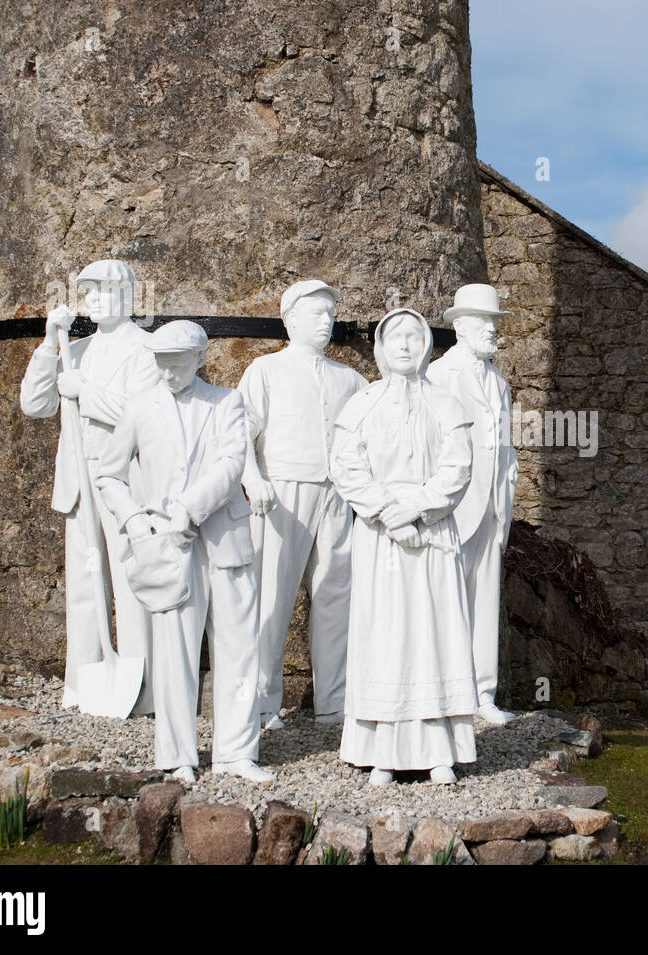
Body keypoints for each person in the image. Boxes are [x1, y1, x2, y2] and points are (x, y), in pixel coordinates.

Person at [95, 320, 271, 784]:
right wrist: (135, 521)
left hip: (224, 538)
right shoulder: (139, 407)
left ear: (200, 358)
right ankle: (178, 755)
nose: (169, 373)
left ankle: (237, 752)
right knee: (174, 652)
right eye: (162, 364)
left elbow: (231, 464)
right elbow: (109, 475)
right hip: (166, 545)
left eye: (178, 363)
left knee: (239, 648)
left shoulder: (227, 401)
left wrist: (189, 509)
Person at [330, 307, 478, 785]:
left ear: (427, 346)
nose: (405, 345)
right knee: (386, 635)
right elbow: (346, 467)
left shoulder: (446, 405)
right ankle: (382, 752)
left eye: (414, 337)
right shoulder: (362, 404)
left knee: (433, 635)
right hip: (380, 540)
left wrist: (415, 507)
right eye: (395, 337)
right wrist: (386, 514)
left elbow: (458, 468)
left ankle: (439, 749)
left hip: (432, 535)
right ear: (380, 347)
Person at [19, 259, 156, 714]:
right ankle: (81, 681)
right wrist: (47, 345)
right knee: (83, 582)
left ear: (126, 295)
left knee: (130, 580)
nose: (91, 300)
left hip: (123, 480)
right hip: (79, 478)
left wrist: (86, 393)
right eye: (87, 292)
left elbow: (142, 415)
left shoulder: (146, 350)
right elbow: (35, 404)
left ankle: (142, 687)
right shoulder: (73, 351)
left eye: (101, 291)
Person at [238, 281, 366, 730]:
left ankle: (335, 700)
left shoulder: (350, 379)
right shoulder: (265, 370)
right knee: (270, 596)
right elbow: (240, 432)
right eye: (316, 313)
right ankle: (260, 702)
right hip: (283, 492)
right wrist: (252, 479)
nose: (326, 321)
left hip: (336, 494)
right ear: (290, 319)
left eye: (330, 314)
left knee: (337, 596)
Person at [426, 283, 519, 724]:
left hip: (492, 506)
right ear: (460, 326)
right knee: (446, 600)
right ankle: (443, 693)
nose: (492, 330)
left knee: (484, 601)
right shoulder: (439, 375)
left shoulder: (499, 382)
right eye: (484, 322)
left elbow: (504, 447)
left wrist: (506, 496)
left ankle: (483, 694)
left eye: (495, 322)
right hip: (455, 507)